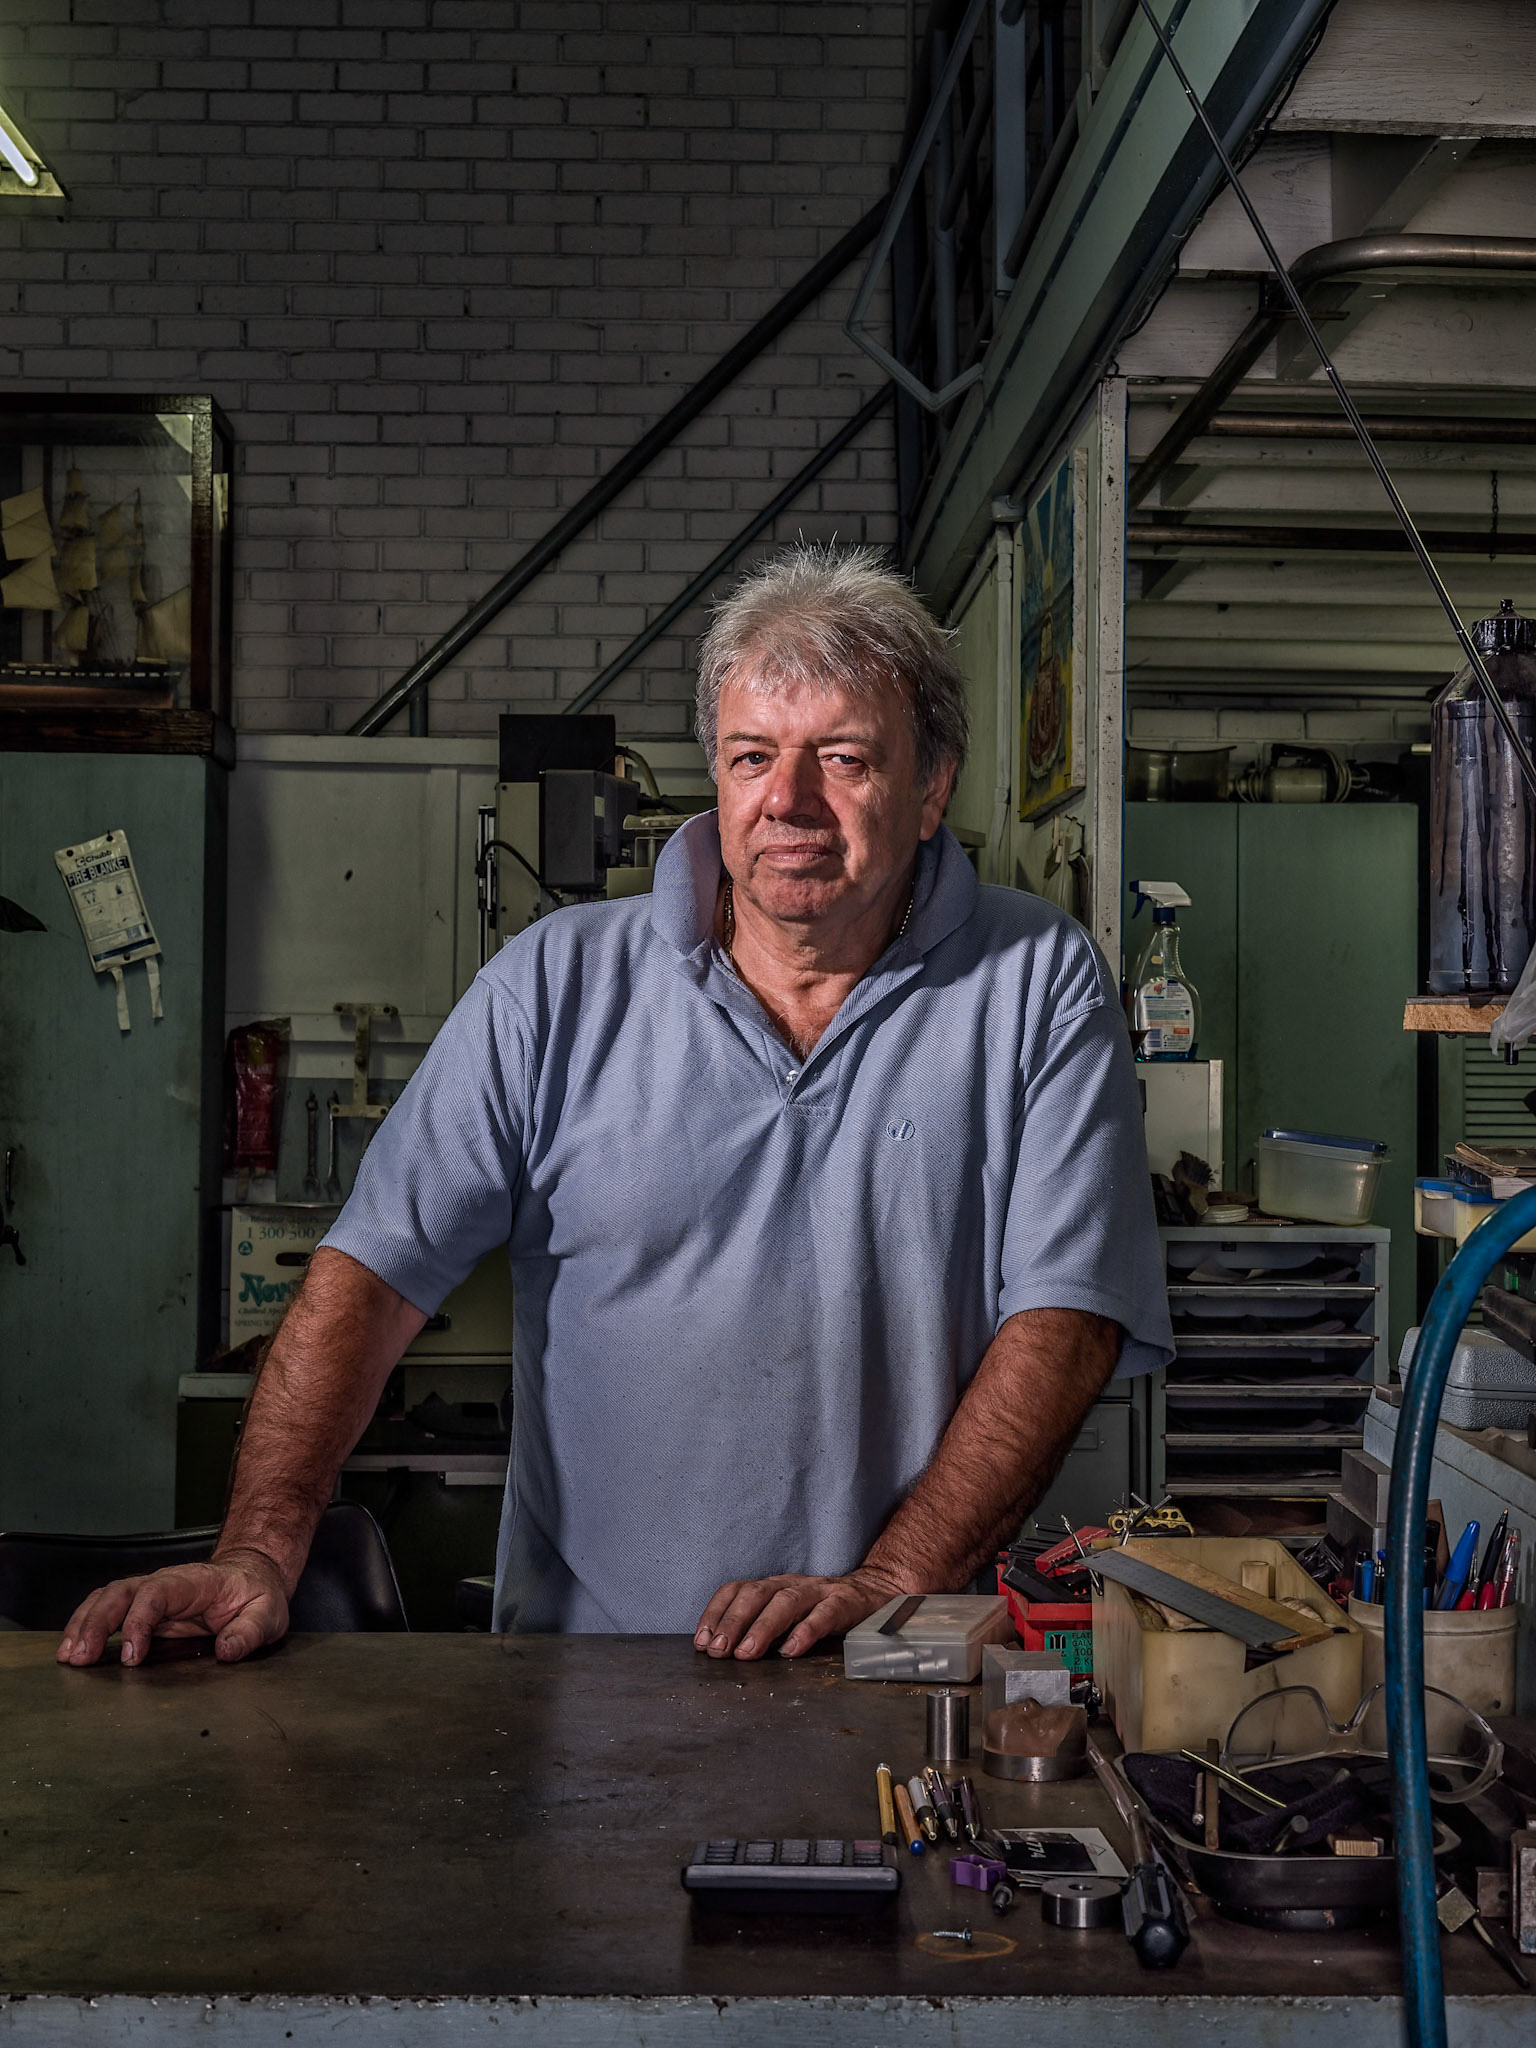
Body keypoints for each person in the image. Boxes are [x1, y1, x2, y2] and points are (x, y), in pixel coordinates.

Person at [59, 543, 1172, 1669]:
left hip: (895, 1668)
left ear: (931, 787)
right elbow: (373, 1273)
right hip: (586, 1686)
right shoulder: (553, 985)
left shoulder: (1037, 981)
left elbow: (1066, 1319)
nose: (788, 801)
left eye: (843, 758)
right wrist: (259, 1547)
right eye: (751, 757)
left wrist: (890, 1581)